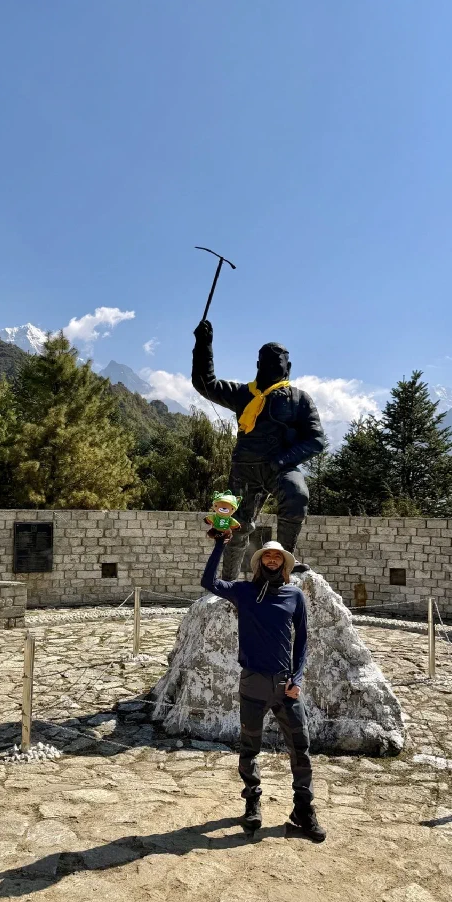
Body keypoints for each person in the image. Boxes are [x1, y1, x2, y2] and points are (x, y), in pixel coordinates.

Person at [200, 533, 327, 842]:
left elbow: (303, 641)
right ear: (259, 563)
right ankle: (252, 803)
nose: (272, 560)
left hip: (285, 686)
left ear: (284, 565)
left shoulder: (295, 596)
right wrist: (220, 544)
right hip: (253, 683)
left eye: (278, 558)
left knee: (300, 749)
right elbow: (209, 582)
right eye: (267, 557)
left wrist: (297, 679)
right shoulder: (243, 591)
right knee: (250, 747)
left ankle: (303, 810)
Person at [192, 320, 326, 579]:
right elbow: (204, 383)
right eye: (266, 362)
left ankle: (286, 563)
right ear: (257, 366)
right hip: (245, 470)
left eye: (278, 363)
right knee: (237, 525)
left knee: (296, 494)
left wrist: (282, 460)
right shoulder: (243, 394)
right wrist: (203, 344)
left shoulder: (299, 400)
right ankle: (228, 581)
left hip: (280, 466)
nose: (272, 366)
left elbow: (315, 439)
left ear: (289, 368)